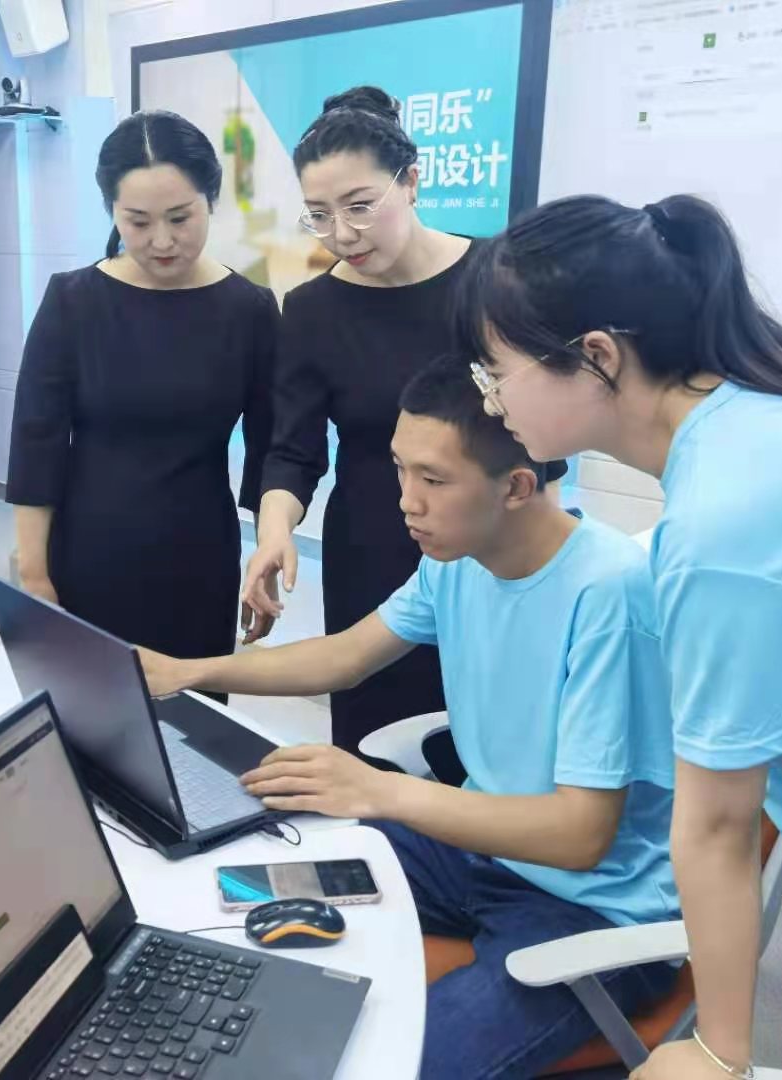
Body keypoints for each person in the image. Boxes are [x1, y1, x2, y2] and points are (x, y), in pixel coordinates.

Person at [458, 193, 782, 1080]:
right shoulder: (766, 425)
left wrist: (715, 1049)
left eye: (494, 369)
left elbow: (719, 825)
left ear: (597, 358)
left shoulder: (727, 522)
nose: (489, 398)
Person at [141, 355, 679, 1078]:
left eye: (434, 480)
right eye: (401, 470)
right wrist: (191, 672)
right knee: (245, 876)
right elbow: (345, 656)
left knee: (396, 1063)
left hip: (593, 908)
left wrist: (380, 790)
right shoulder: (456, 561)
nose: (407, 502)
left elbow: (580, 836)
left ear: (517, 487)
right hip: (477, 851)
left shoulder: (609, 593)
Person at [243, 84, 564, 754]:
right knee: (373, 747)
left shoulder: (497, 278)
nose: (343, 234)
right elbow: (293, 452)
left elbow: (545, 442)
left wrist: (550, 570)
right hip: (372, 548)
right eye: (320, 215)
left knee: (492, 743)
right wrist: (272, 535)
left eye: (360, 206)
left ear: (411, 181)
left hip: (492, 547)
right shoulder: (312, 309)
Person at [7, 110, 277, 665]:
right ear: (112, 211)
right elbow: (37, 443)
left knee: (191, 709)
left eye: (181, 218)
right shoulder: (73, 302)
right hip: (88, 554)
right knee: (90, 705)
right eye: (138, 222)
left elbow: (270, 447)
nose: (162, 241)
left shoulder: (248, 309)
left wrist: (266, 556)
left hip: (199, 557)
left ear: (211, 200)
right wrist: (34, 573)